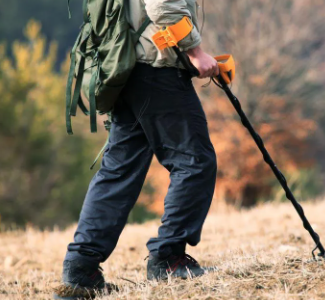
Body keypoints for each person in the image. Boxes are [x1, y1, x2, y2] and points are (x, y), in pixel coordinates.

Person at [54, 0, 219, 299]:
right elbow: (163, 6)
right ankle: (168, 258)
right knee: (195, 162)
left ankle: (81, 269)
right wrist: (196, 52)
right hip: (155, 69)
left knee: (119, 172)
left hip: (128, 69)